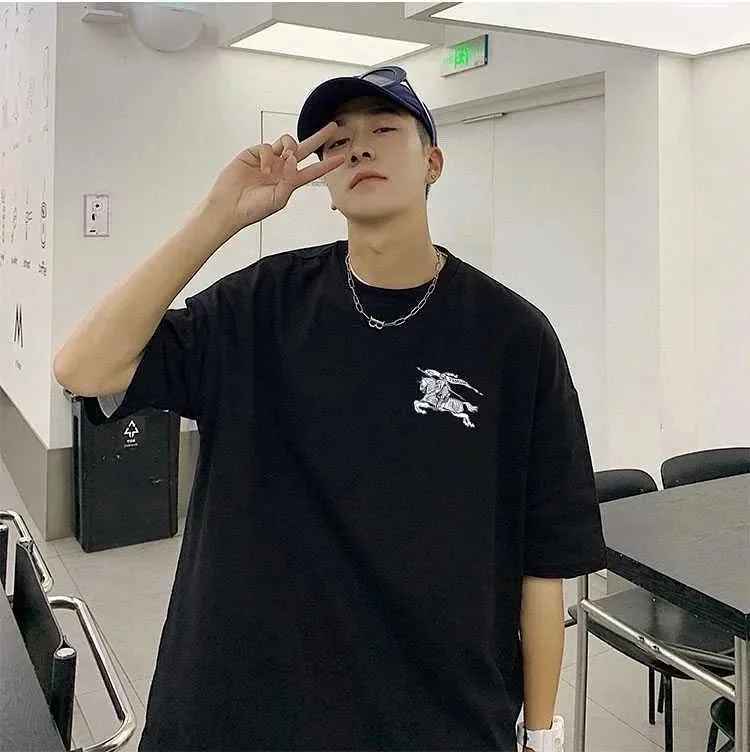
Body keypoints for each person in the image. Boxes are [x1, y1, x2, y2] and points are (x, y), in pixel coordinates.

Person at [54, 66, 606, 752]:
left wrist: (544, 735)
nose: (360, 147)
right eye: (339, 141)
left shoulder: (512, 337)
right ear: (324, 178)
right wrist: (219, 216)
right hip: (236, 708)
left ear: (432, 162)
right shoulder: (258, 305)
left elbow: (543, 560)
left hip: (434, 715)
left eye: (385, 129)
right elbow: (84, 369)